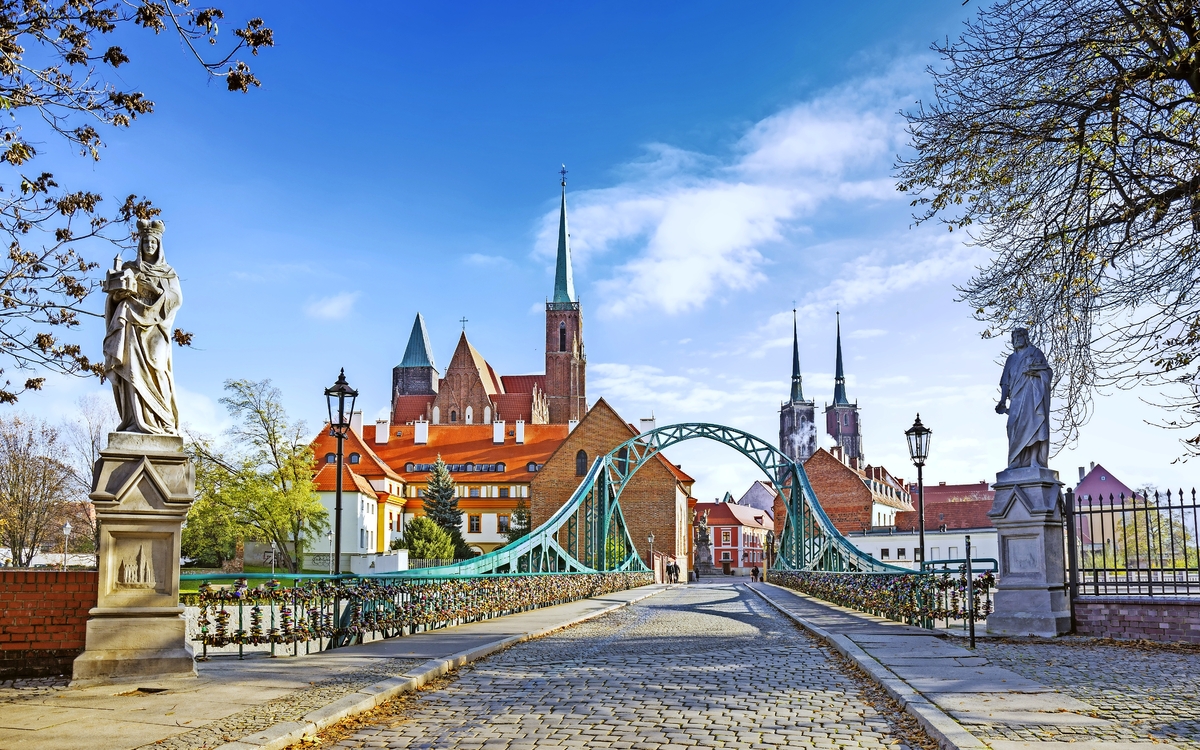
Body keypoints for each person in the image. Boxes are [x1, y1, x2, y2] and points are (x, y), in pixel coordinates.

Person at [103, 219, 182, 435]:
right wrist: (119, 292)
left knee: (158, 369)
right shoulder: (130, 268)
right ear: (141, 244)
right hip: (131, 327)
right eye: (146, 241)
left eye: (153, 242)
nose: (149, 245)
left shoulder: (168, 272)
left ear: (159, 246)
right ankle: (135, 421)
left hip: (156, 329)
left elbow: (176, 299)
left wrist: (154, 290)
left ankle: (162, 420)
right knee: (132, 369)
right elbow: (115, 298)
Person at [995, 328, 1053, 469]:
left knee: (1034, 425)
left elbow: (1047, 372)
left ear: (1025, 338)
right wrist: (1003, 400)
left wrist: (1036, 373)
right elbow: (1005, 381)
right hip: (1016, 397)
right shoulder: (1011, 359)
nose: (1016, 340)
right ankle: (1015, 459)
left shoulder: (1035, 352)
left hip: (1033, 394)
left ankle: (1034, 460)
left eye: (1019, 337)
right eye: (1014, 337)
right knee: (1012, 426)